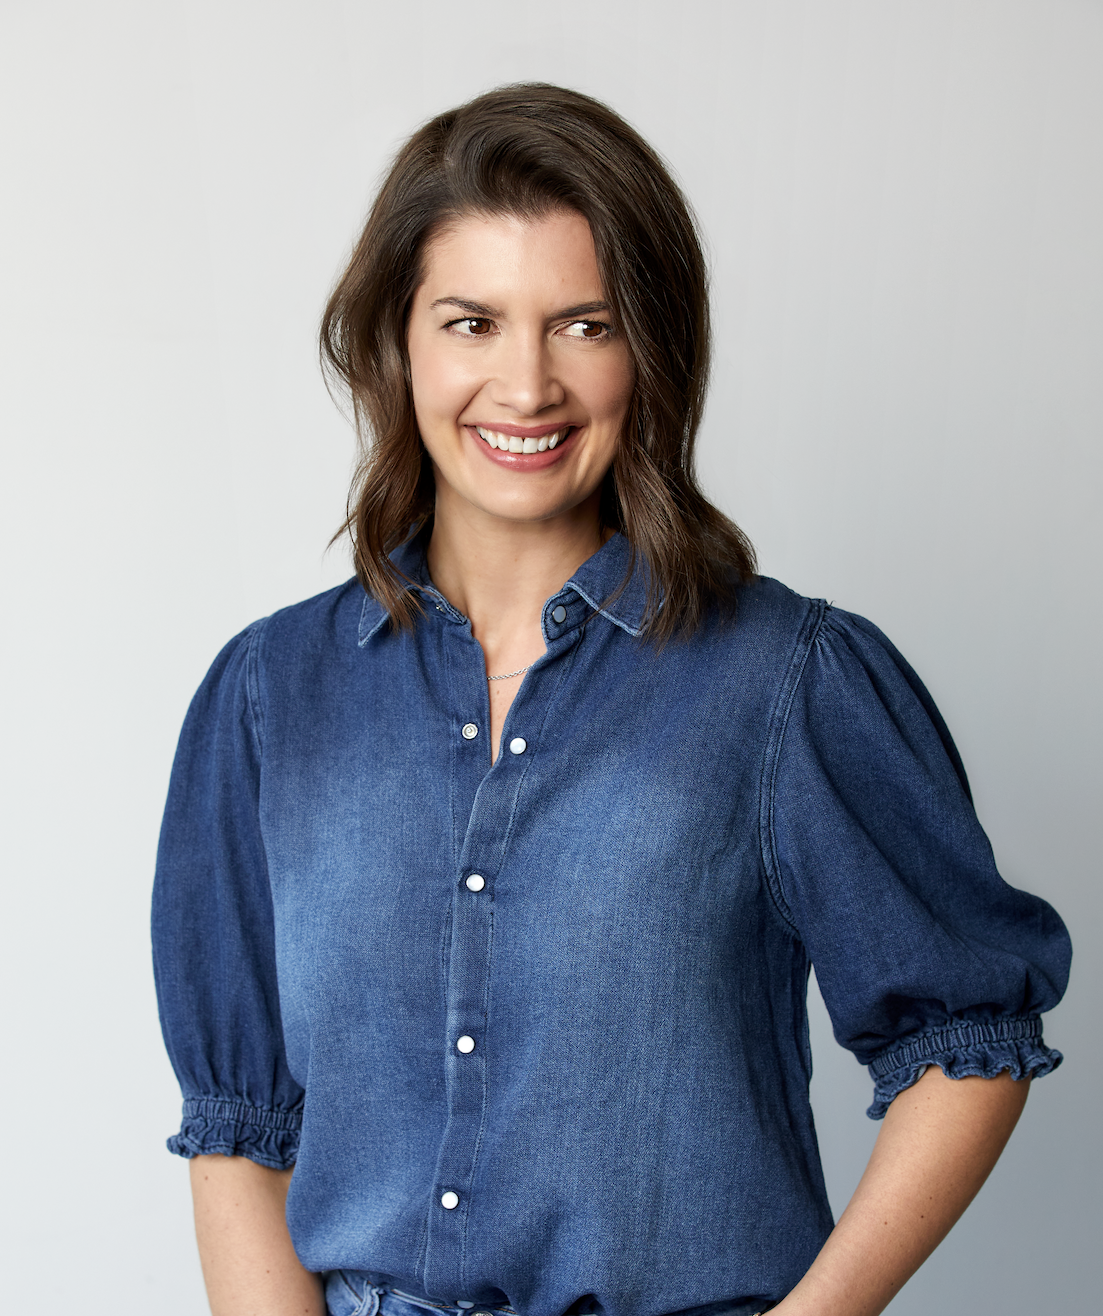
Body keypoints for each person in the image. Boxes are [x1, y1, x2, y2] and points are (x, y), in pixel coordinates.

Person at [152, 84, 1071, 1316]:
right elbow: (240, 1133)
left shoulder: (786, 681)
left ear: (651, 346)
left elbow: (969, 1036)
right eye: (472, 322)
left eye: (583, 324)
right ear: (397, 342)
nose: (525, 385)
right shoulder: (271, 700)